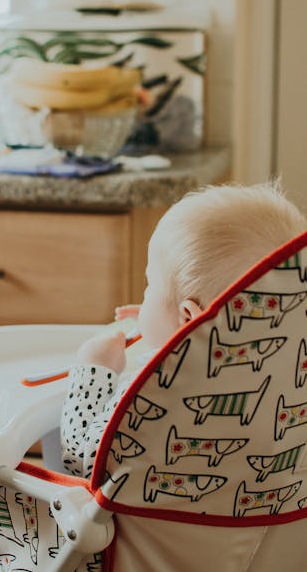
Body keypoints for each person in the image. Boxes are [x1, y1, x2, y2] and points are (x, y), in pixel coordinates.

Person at [61, 181, 307, 477]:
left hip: (142, 525)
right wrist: (164, 325)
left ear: (190, 318)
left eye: (149, 286)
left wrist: (94, 371)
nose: (145, 295)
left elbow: (82, 462)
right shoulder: (293, 380)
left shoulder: (152, 390)